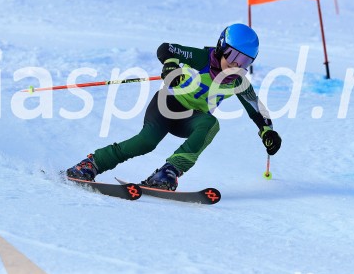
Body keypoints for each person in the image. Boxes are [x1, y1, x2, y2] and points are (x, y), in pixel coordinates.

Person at [66, 23, 282, 190]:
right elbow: (166, 48)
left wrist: (268, 132)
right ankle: (91, 164)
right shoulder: (201, 58)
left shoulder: (238, 81)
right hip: (166, 105)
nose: (236, 65)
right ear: (221, 47)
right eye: (233, 56)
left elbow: (256, 108)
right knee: (146, 142)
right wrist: (170, 65)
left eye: (244, 61)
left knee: (210, 124)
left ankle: (169, 172)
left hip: (191, 119)